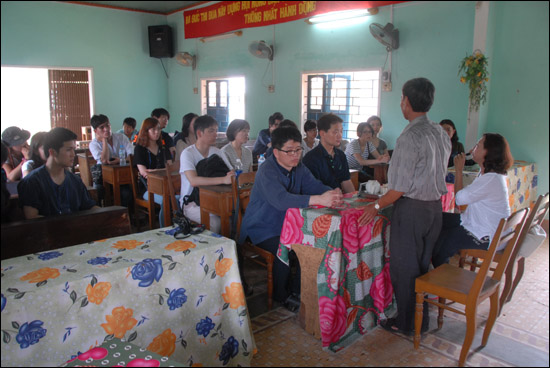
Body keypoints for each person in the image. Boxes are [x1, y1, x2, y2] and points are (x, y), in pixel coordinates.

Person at [358, 77, 451, 336]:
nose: (401, 103)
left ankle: (408, 323)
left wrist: (375, 207)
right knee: (422, 267)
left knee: (404, 268)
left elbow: (398, 188)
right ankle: (423, 318)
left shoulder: (409, 136)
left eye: (401, 98)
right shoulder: (440, 132)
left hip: (411, 211)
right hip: (434, 209)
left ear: (406, 102)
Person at [240, 125, 343, 307]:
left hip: (288, 225)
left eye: (298, 150)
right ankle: (282, 295)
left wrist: (332, 193)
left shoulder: (299, 168)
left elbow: (315, 186)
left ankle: (299, 289)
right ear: (276, 151)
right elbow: (281, 200)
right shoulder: (267, 171)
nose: (295, 155)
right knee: (286, 247)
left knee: (311, 244)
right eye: (289, 151)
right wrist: (319, 199)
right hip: (262, 227)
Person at [432, 133, 513, 267]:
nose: (472, 150)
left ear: (488, 152)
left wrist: (459, 170)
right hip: (480, 224)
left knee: (443, 245)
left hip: (486, 235)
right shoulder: (488, 174)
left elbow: (459, 200)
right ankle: (436, 266)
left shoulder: (490, 179)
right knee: (435, 218)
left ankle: (440, 280)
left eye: (478, 146)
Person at [17, 127, 99, 219]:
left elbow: (89, 207)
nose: (73, 154)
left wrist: (110, 214)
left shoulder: (75, 181)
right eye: (68, 149)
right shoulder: (32, 182)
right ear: (52, 152)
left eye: (73, 149)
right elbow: (31, 217)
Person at [179, 115, 234, 233]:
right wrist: (223, 179)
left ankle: (230, 249)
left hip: (216, 200)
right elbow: (194, 181)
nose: (215, 134)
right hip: (193, 203)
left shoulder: (217, 152)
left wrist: (231, 175)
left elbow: (230, 172)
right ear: (199, 133)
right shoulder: (187, 153)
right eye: (211, 131)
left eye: (216, 130)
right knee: (215, 223)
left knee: (235, 219)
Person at [133, 117, 174, 227]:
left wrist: (156, 171)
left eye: (159, 129)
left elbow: (171, 168)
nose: (157, 132)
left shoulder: (163, 147)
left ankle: (177, 225)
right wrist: (162, 171)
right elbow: (144, 172)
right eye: (153, 130)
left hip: (167, 185)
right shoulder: (140, 148)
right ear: (146, 131)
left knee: (179, 199)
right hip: (149, 188)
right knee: (166, 201)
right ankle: (164, 228)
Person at [89, 114, 134, 207]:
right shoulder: (93, 144)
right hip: (102, 178)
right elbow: (104, 160)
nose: (106, 129)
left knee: (127, 194)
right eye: (102, 127)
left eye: (108, 125)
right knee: (97, 192)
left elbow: (132, 155)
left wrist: (121, 160)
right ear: (95, 131)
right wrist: (104, 140)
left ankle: (125, 217)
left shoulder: (121, 137)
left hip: (121, 177)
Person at [302, 113, 355, 193]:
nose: (339, 135)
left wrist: (354, 199)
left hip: (338, 200)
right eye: (335, 132)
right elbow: (312, 189)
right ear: (322, 133)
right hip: (320, 202)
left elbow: (346, 181)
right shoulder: (311, 158)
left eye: (341, 131)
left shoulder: (340, 155)